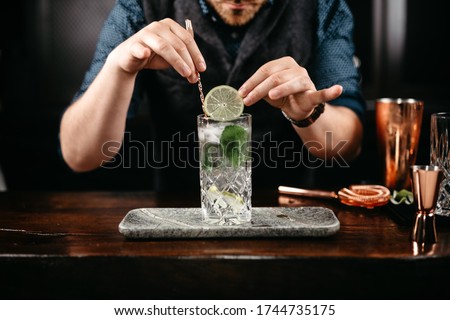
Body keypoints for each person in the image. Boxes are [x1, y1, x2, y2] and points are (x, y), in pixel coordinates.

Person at [59, 0, 365, 191]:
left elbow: (346, 147)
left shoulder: (323, 6)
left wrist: (307, 114)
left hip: (287, 217)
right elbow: (80, 155)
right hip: (173, 216)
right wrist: (119, 67)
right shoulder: (140, 6)